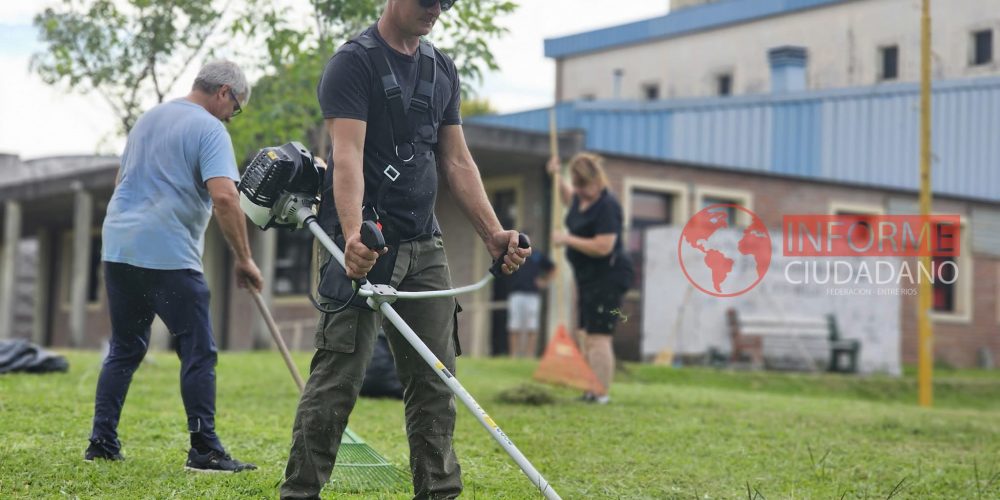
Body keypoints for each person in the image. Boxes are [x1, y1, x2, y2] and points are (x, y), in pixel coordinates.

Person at [280, 0, 529, 498]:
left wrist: (493, 233)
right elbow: (345, 154)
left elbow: (457, 161)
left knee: (437, 379)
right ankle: (301, 492)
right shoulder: (354, 62)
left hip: (423, 244)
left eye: (447, 2)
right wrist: (352, 236)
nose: (437, 9)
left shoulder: (442, 69)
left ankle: (438, 492)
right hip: (361, 245)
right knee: (338, 379)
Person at [85, 60, 263, 473]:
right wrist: (244, 259)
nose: (231, 117)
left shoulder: (149, 118)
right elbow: (224, 198)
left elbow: (120, 182)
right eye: (234, 108)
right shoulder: (209, 129)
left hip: (118, 246)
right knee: (198, 349)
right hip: (167, 252)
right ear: (224, 93)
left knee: (125, 348)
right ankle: (204, 449)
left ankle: (102, 442)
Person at [548, 153, 632, 405]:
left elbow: (604, 246)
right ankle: (590, 390)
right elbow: (568, 198)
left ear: (597, 180)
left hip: (609, 276)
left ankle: (601, 394)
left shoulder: (608, 206)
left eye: (586, 186)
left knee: (598, 336)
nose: (582, 192)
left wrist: (567, 239)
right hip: (586, 278)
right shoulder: (578, 198)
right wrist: (556, 175)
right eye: (577, 186)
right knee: (584, 333)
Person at [506, 247, 555, 358]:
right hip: (516, 293)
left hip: (532, 295)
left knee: (532, 326)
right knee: (514, 325)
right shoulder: (511, 254)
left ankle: (529, 355)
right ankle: (513, 356)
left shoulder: (536, 255)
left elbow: (552, 268)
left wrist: (544, 282)